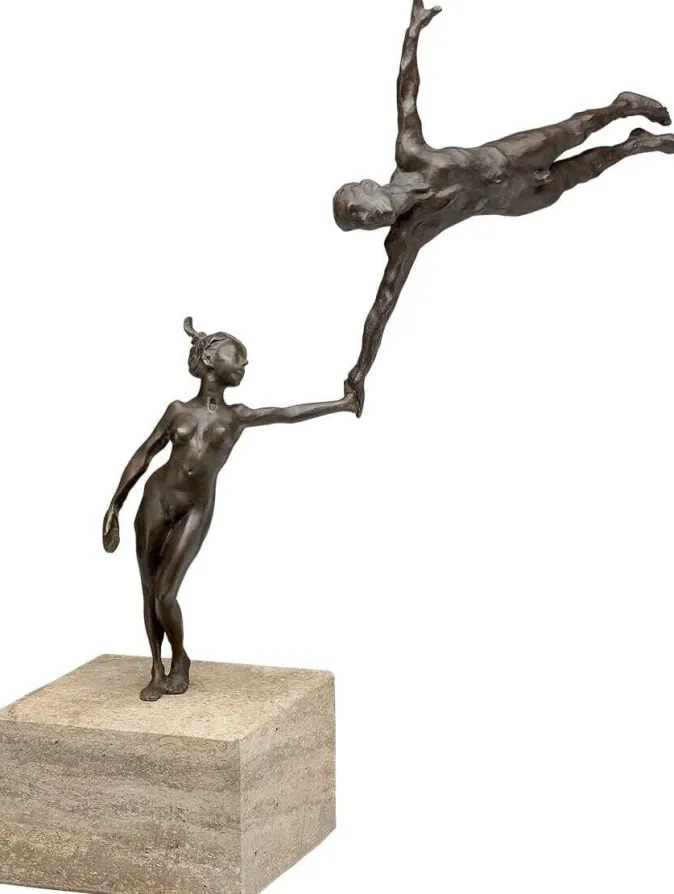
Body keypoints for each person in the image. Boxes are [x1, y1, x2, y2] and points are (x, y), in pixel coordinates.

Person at [334, 0, 674, 415]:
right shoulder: (408, 236)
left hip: (511, 155)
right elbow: (383, 304)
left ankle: (621, 107)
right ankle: (635, 145)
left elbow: (407, 93)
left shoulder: (412, 155)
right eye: (358, 224)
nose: (366, 219)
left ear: (367, 186)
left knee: (576, 128)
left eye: (357, 209)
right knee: (588, 169)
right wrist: (360, 371)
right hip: (516, 201)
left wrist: (413, 33)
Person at [103, 318, 357, 701]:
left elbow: (287, 413)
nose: (244, 363)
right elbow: (144, 453)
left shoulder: (235, 416)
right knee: (148, 589)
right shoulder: (177, 410)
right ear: (209, 358)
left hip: (195, 507)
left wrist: (341, 403)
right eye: (236, 355)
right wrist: (115, 504)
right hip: (155, 500)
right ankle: (156, 668)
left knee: (165, 594)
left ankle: (180, 658)